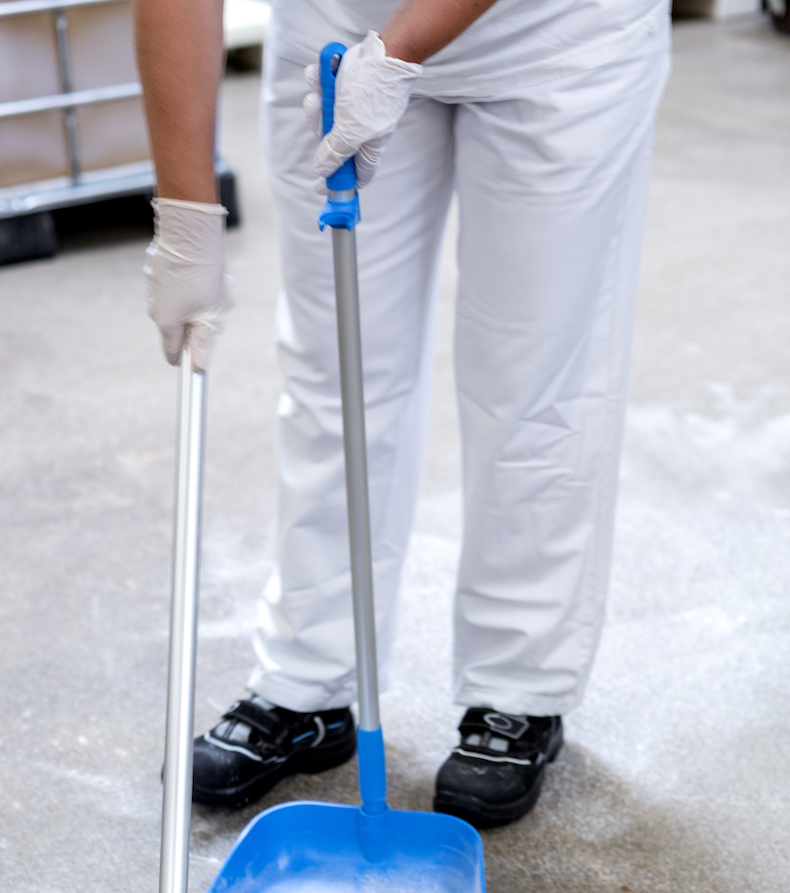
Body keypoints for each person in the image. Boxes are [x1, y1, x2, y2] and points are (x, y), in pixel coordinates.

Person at [135, 0, 670, 827]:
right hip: (338, 26)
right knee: (335, 365)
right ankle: (309, 681)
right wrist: (185, 217)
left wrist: (403, 50)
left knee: (534, 376)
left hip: (561, 33)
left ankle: (516, 689)